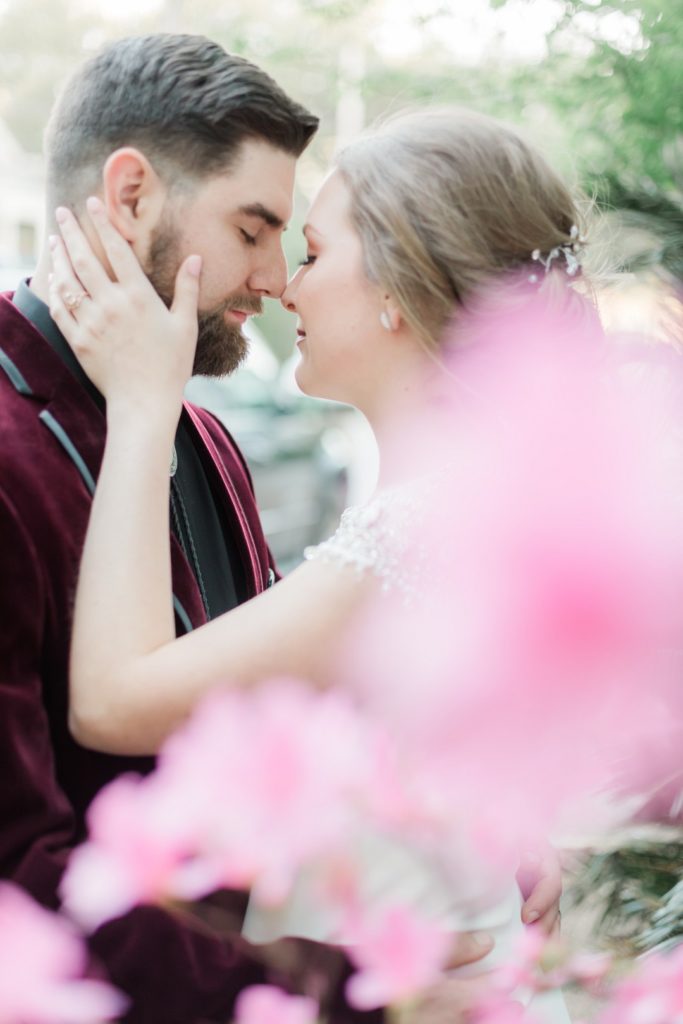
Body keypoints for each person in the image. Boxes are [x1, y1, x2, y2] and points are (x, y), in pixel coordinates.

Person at [49, 108, 571, 1018]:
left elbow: (110, 702)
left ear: (397, 288)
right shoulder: (477, 514)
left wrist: (143, 405)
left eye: (315, 253)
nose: (286, 285)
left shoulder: (410, 537)